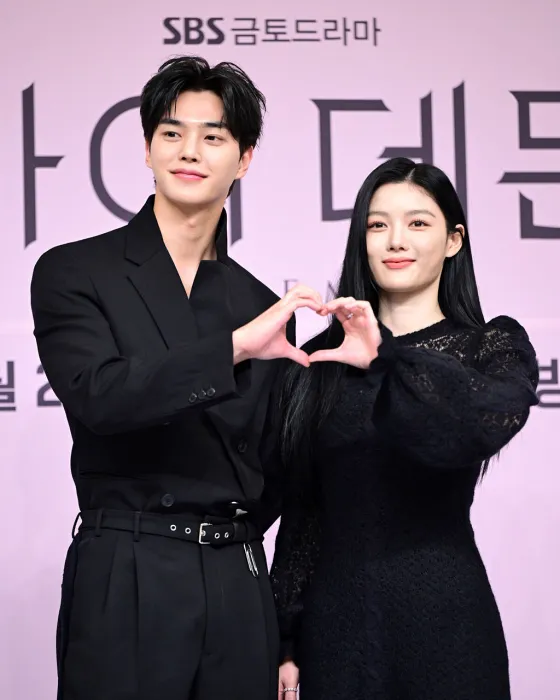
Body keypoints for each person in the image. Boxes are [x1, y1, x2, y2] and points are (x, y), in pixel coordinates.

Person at [30, 55, 322, 700]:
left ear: (244, 159)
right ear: (147, 149)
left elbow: (275, 471)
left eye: (213, 136)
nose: (190, 151)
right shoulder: (75, 271)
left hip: (237, 578)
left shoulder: (258, 304)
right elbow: (101, 397)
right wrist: (235, 349)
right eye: (171, 132)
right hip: (128, 563)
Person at [270, 157, 539, 700]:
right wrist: (286, 637)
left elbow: (472, 427)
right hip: (338, 626)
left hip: (448, 622)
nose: (396, 240)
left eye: (418, 223)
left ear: (453, 240)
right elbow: (305, 511)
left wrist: (385, 356)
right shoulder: (321, 360)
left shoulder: (490, 345)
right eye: (378, 224)